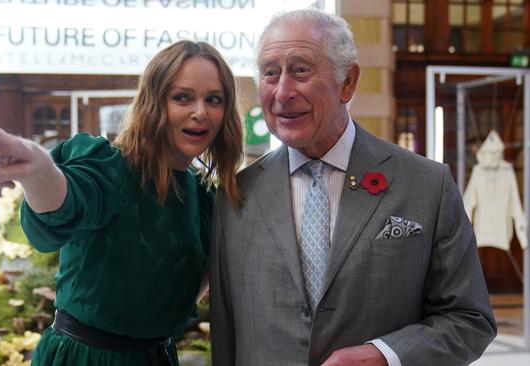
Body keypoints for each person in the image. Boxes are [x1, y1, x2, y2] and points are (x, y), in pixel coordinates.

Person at [209, 8, 496, 366]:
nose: (283, 92)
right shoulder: (235, 196)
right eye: (270, 73)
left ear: (348, 82)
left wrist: (385, 355)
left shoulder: (427, 185)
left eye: (300, 70)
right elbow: (225, 337)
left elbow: (470, 320)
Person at [0, 40, 244, 366]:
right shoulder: (111, 168)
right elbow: (66, 199)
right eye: (182, 97)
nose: (200, 112)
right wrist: (37, 167)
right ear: (154, 102)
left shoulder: (204, 198)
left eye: (214, 100)